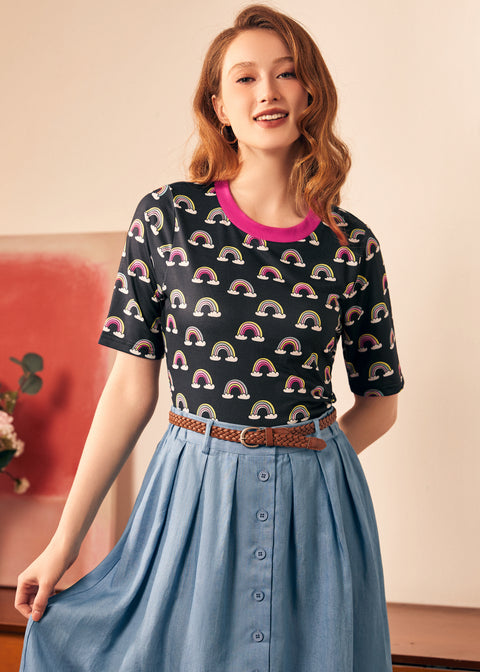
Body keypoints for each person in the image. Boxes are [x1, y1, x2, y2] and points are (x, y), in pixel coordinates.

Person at [16, 5, 404, 671]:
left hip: (318, 509)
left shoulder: (352, 244)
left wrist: (305, 464)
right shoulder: (166, 218)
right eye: (245, 78)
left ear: (311, 93)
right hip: (192, 493)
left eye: (286, 74)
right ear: (219, 106)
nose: (267, 92)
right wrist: (63, 543)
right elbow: (129, 391)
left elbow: (381, 403)